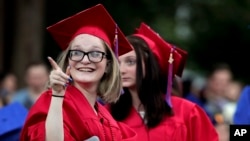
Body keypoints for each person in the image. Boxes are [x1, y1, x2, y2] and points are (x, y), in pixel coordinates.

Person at [20, 4, 137, 141]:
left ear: (108, 65)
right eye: (76, 52)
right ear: (68, 60)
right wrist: (57, 96)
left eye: (95, 53)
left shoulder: (106, 116)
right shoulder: (51, 101)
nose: (85, 60)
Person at [108, 22, 218, 141]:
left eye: (130, 62)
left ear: (151, 65)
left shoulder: (187, 112)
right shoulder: (108, 114)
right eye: (118, 63)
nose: (121, 70)